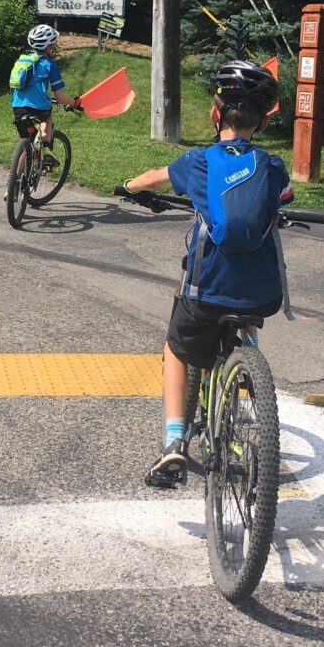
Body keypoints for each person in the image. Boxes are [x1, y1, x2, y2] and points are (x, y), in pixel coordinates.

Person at [122, 60, 293, 490]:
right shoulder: (272, 167)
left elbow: (151, 179)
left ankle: (174, 442)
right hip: (261, 293)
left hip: (206, 292)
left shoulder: (198, 162)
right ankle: (248, 359)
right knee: (248, 302)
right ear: (262, 122)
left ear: (216, 114)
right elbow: (284, 199)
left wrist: (129, 188)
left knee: (177, 349)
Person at [10, 25, 82, 151]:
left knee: (26, 145)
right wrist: (74, 102)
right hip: (39, 109)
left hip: (17, 108)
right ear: (48, 48)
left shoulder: (22, 61)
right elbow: (60, 98)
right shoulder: (49, 65)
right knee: (47, 116)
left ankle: (15, 171)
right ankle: (47, 149)